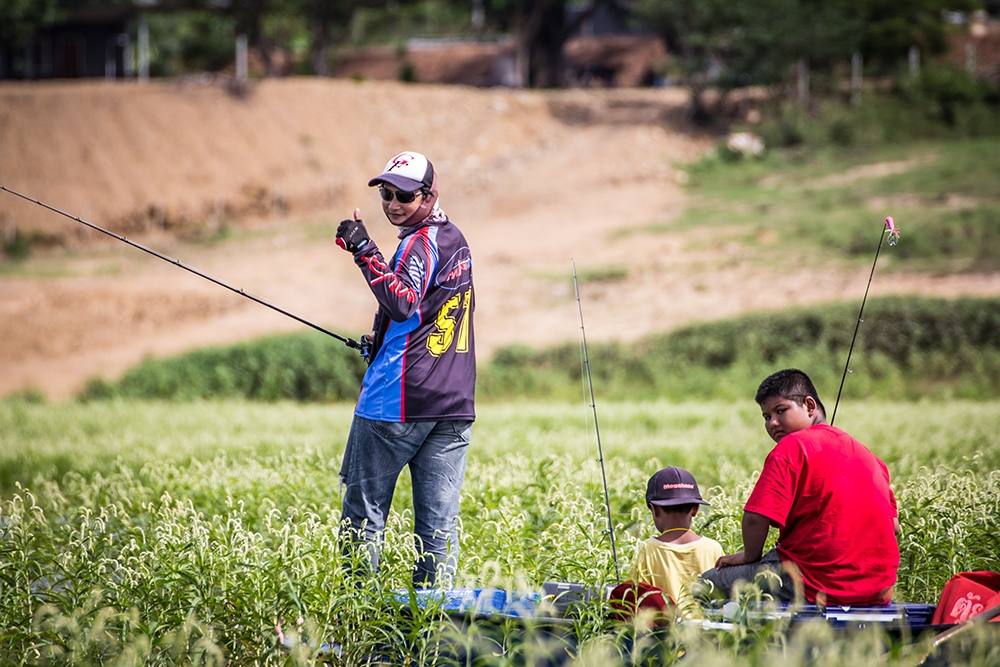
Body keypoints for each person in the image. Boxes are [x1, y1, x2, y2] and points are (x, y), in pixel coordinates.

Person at [334, 150, 475, 588]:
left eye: (405, 196)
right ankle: (431, 631)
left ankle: (358, 624)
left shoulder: (419, 244)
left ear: (430, 195)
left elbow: (402, 301)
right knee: (438, 531)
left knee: (363, 518)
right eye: (387, 195)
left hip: (396, 402)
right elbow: (427, 315)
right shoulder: (455, 240)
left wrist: (363, 249)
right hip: (453, 405)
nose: (393, 204)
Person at [702, 369, 900, 605]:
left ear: (809, 405)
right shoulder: (870, 457)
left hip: (812, 583)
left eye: (781, 411)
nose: (773, 423)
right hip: (878, 590)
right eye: (766, 417)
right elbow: (894, 527)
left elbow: (756, 518)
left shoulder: (791, 447)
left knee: (705, 586)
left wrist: (749, 556)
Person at [628, 466, 724, 618]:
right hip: (706, 636)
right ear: (695, 509)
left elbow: (634, 598)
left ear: (655, 510)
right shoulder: (713, 548)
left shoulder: (647, 549)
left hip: (662, 637)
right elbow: (721, 598)